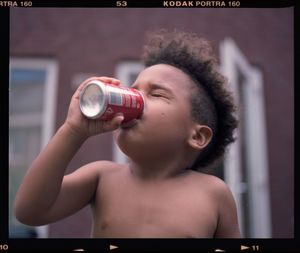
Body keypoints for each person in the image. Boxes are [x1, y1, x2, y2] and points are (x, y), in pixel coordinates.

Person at [14, 29, 241, 238]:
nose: (136, 99)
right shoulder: (101, 177)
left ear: (197, 136)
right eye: (133, 91)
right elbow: (30, 212)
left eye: (157, 94)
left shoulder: (213, 193)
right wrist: (73, 131)